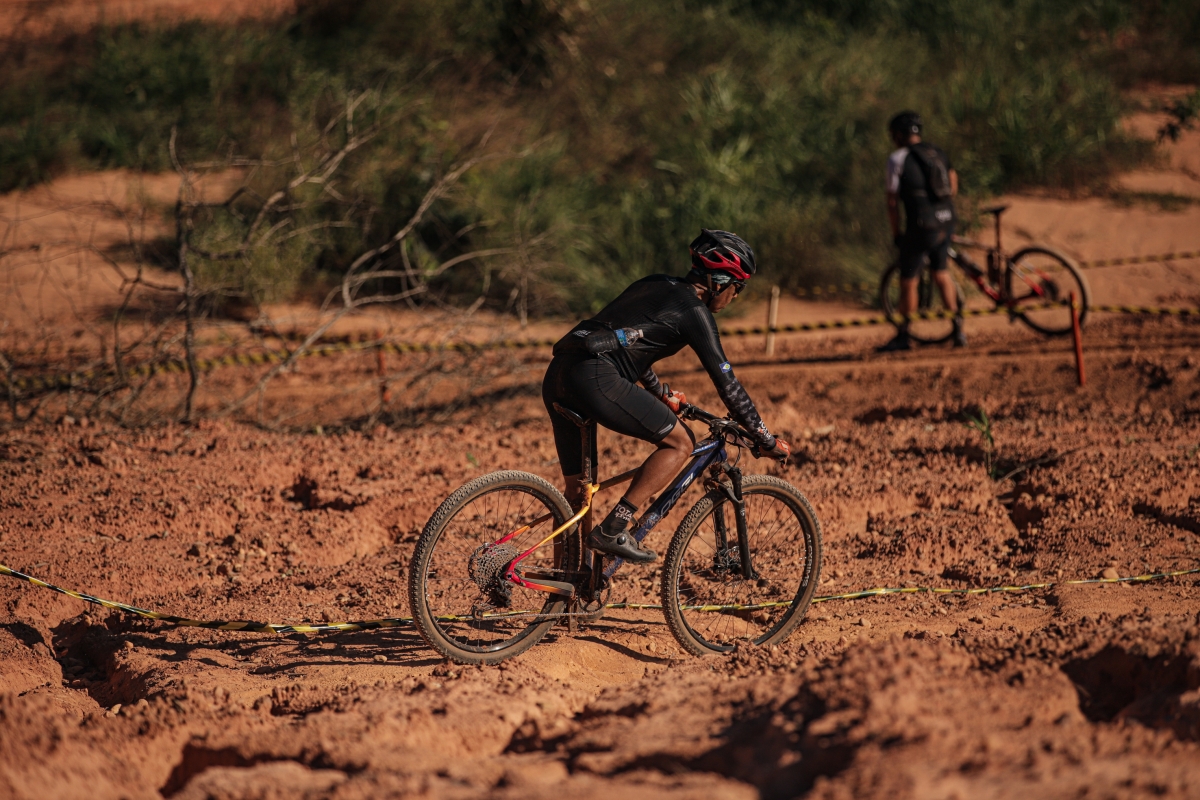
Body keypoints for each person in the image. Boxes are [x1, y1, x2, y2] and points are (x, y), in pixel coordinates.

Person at [541, 229, 791, 564]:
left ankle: (565, 582)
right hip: (595, 379)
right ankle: (614, 528)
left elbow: (629, 343)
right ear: (719, 282)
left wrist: (660, 393)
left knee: (578, 492)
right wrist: (765, 438)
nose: (735, 296)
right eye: (738, 287)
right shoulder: (695, 312)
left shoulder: (654, 283)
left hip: (559, 373)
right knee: (680, 443)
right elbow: (728, 384)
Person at [879, 110, 963, 351]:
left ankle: (904, 335)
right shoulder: (937, 152)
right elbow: (953, 182)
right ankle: (958, 331)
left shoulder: (897, 159)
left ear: (898, 135)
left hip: (921, 227)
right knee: (941, 274)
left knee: (909, 281)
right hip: (946, 221)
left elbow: (892, 202)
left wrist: (897, 234)